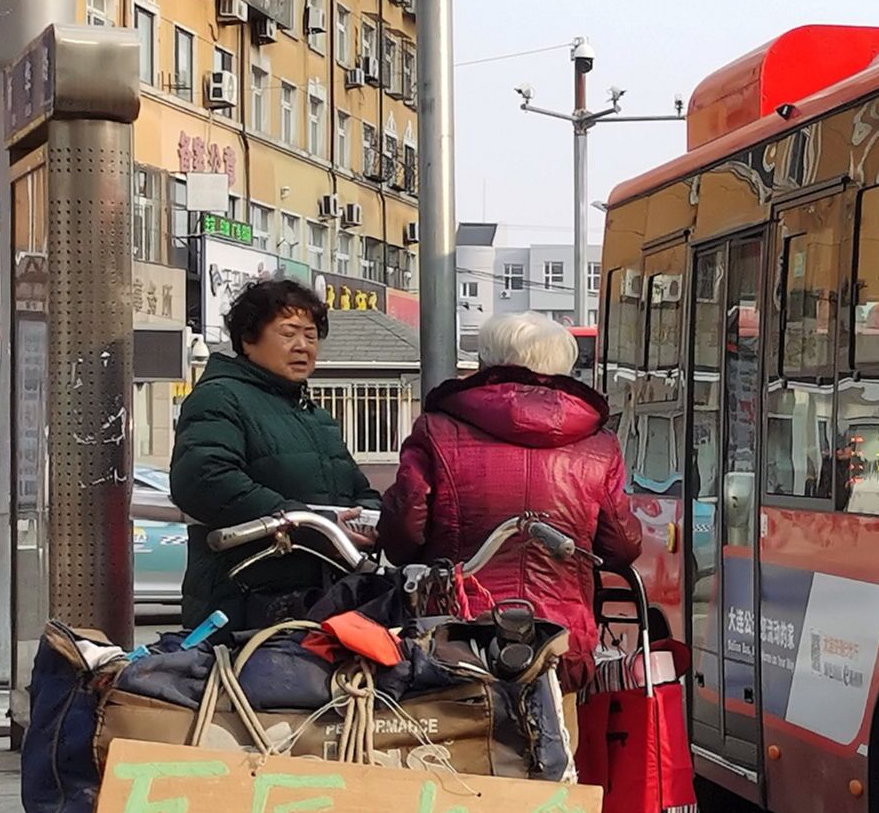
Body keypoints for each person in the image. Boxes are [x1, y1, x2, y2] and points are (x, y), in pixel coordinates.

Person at [380, 311, 642, 677]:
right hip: (558, 640)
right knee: (558, 729)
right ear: (563, 369)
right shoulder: (599, 445)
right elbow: (621, 548)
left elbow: (403, 532)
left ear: (486, 363)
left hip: (459, 635)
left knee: (458, 728)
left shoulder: (436, 430)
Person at [171, 278, 381, 630]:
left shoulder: (315, 417)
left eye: (311, 336)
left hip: (319, 602)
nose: (303, 346)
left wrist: (372, 518)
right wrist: (301, 522)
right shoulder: (220, 397)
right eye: (288, 333)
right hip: (244, 603)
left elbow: (356, 489)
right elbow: (204, 478)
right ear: (248, 339)